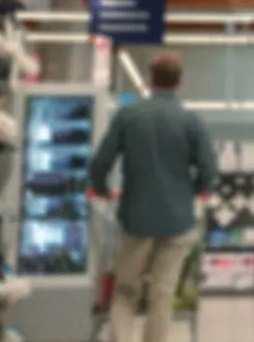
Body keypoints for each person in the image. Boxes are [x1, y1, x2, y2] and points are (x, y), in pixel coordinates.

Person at [89, 52, 217, 342]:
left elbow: (101, 163)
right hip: (177, 219)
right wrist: (192, 192)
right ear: (179, 82)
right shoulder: (190, 121)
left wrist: (102, 189)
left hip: (135, 217)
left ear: (149, 79)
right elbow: (209, 169)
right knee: (162, 293)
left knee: (125, 291)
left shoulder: (128, 116)